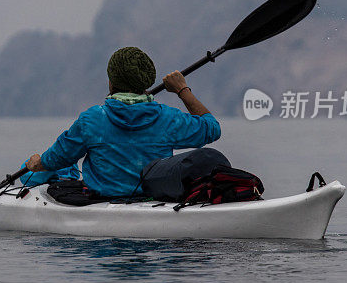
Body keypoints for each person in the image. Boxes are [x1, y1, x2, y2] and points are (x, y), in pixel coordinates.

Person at [22, 46, 221, 198]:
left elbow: (58, 158)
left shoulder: (92, 119)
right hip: (150, 198)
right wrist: (182, 90)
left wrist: (37, 163)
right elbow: (212, 128)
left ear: (111, 81)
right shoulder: (168, 119)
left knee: (63, 169)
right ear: (146, 83)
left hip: (102, 200)